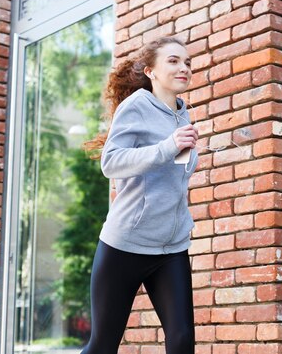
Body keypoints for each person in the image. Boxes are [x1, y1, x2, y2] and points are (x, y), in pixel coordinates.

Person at [81, 36, 199, 354]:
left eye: (187, 62)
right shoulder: (137, 107)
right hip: (126, 245)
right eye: (173, 61)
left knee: (182, 340)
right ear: (151, 71)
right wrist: (168, 146)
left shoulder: (181, 113)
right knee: (103, 344)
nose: (183, 67)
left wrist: (175, 151)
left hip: (170, 246)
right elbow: (111, 162)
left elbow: (170, 174)